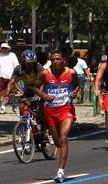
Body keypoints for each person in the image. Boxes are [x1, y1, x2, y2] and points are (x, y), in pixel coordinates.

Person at [36, 49, 80, 184]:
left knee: (63, 138)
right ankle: (54, 142)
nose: (56, 61)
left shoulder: (70, 73)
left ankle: (60, 171)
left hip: (66, 109)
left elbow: (77, 85)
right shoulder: (45, 73)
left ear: (64, 60)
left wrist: (75, 92)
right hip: (50, 111)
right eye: (53, 59)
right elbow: (35, 87)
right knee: (57, 142)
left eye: (58, 59)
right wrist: (44, 95)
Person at [6, 49, 44, 121]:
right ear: (23, 62)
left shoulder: (38, 67)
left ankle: (42, 124)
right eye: (28, 63)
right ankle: (24, 121)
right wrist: (7, 95)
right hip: (28, 90)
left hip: (40, 89)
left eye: (33, 63)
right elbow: (11, 82)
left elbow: (43, 82)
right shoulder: (18, 69)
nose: (31, 65)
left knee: (41, 109)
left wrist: (40, 94)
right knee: (22, 105)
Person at [0, 42, 19, 114]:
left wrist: (18, 75)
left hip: (11, 76)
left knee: (12, 94)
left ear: (8, 49)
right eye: (3, 48)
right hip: (1, 76)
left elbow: (17, 66)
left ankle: (13, 104)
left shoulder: (12, 55)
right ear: (1, 49)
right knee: (2, 93)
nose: (4, 49)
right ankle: (2, 107)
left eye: (5, 48)